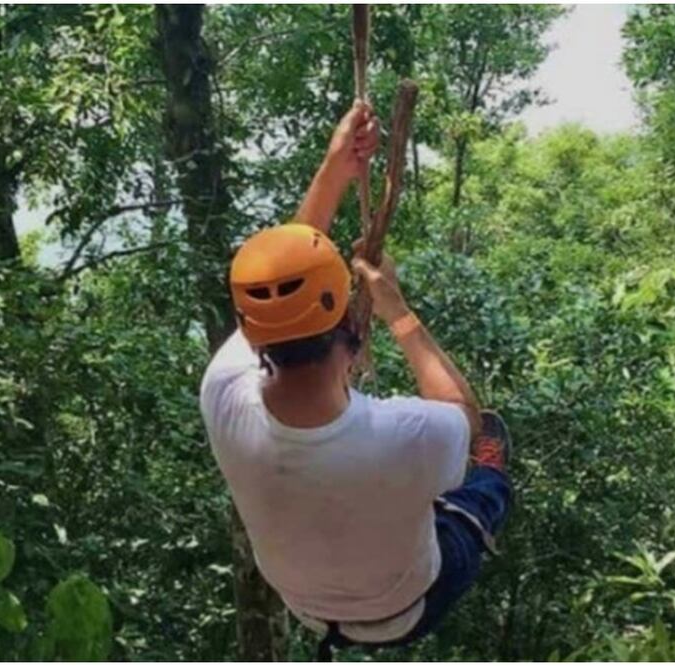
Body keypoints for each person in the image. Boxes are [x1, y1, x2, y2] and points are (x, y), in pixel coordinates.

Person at [199, 102, 512, 656]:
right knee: (478, 492)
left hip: (308, 607)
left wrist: (335, 166)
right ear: (355, 335)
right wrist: (397, 308)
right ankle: (493, 481)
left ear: (254, 336)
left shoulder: (222, 395)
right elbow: (466, 415)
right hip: (407, 608)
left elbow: (283, 276)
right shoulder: (408, 434)